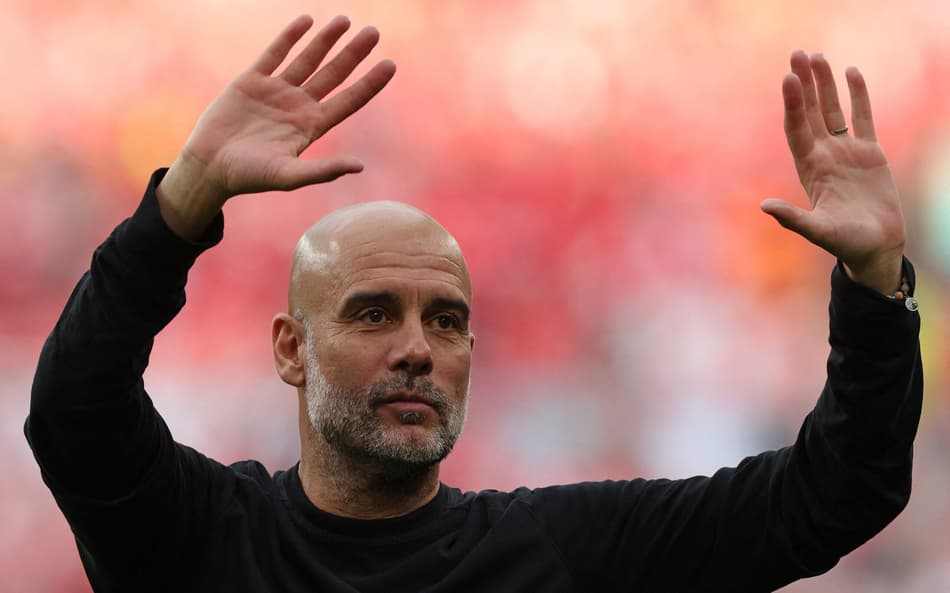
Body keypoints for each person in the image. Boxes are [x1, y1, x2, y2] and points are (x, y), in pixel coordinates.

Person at [26, 14, 922, 593]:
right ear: (290, 349)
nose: (419, 347)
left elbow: (836, 492)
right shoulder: (196, 539)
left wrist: (877, 286)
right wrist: (177, 208)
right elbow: (74, 411)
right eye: (375, 312)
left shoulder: (567, 554)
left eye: (447, 320)